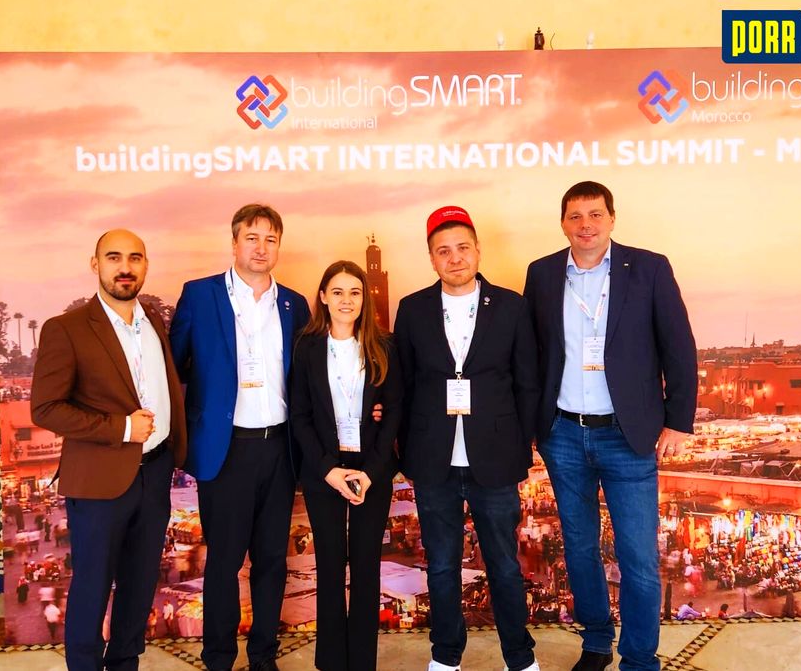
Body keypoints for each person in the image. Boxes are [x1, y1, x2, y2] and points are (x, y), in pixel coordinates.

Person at [524, 181, 697, 671]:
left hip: (628, 435)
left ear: (612, 219)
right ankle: (597, 643)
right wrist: (530, 424)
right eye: (575, 216)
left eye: (595, 214)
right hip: (563, 435)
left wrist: (678, 421)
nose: (586, 225)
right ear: (563, 223)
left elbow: (678, 346)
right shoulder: (541, 273)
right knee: (579, 550)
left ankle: (639, 659)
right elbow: (531, 354)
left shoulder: (649, 268)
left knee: (638, 557)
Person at [31, 229, 187, 670]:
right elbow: (45, 408)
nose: (125, 267)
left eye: (135, 258)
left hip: (155, 473)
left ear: (145, 266)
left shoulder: (153, 321)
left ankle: (124, 664)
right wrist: (121, 428)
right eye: (114, 257)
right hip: (99, 481)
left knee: (139, 586)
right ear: (95, 264)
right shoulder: (67, 328)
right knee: (93, 586)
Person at [395, 206, 540, 671]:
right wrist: (405, 450)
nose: (454, 258)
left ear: (478, 250)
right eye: (443, 251)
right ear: (431, 258)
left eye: (462, 248)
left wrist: (521, 446)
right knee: (441, 566)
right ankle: (445, 656)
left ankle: (519, 657)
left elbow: (528, 383)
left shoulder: (512, 306)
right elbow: (402, 384)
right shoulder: (412, 308)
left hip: (495, 459)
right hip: (432, 459)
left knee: (504, 565)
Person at [170, 204, 310, 671]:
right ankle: (218, 658)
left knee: (272, 560)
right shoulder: (199, 295)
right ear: (234, 243)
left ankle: (263, 656)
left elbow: (308, 376)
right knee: (224, 562)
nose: (261, 248)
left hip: (279, 449)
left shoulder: (293, 304)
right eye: (252, 237)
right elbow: (176, 368)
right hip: (225, 449)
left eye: (270, 239)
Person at [290, 261, 403, 671]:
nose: (346, 300)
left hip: (372, 469)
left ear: (365, 298)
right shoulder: (306, 347)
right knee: (330, 566)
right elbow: (300, 415)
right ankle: (332, 661)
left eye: (355, 292)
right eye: (337, 292)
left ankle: (362, 662)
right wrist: (328, 470)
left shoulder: (384, 346)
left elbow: (394, 411)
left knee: (367, 567)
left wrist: (371, 472)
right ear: (323, 296)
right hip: (325, 470)